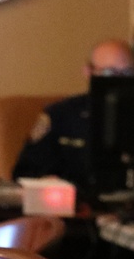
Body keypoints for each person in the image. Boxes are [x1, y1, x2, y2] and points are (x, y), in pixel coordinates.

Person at [13, 38, 134, 191]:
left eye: (127, 72)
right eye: (109, 72)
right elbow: (25, 172)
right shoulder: (60, 115)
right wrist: (48, 183)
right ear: (89, 73)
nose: (119, 79)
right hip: (75, 206)